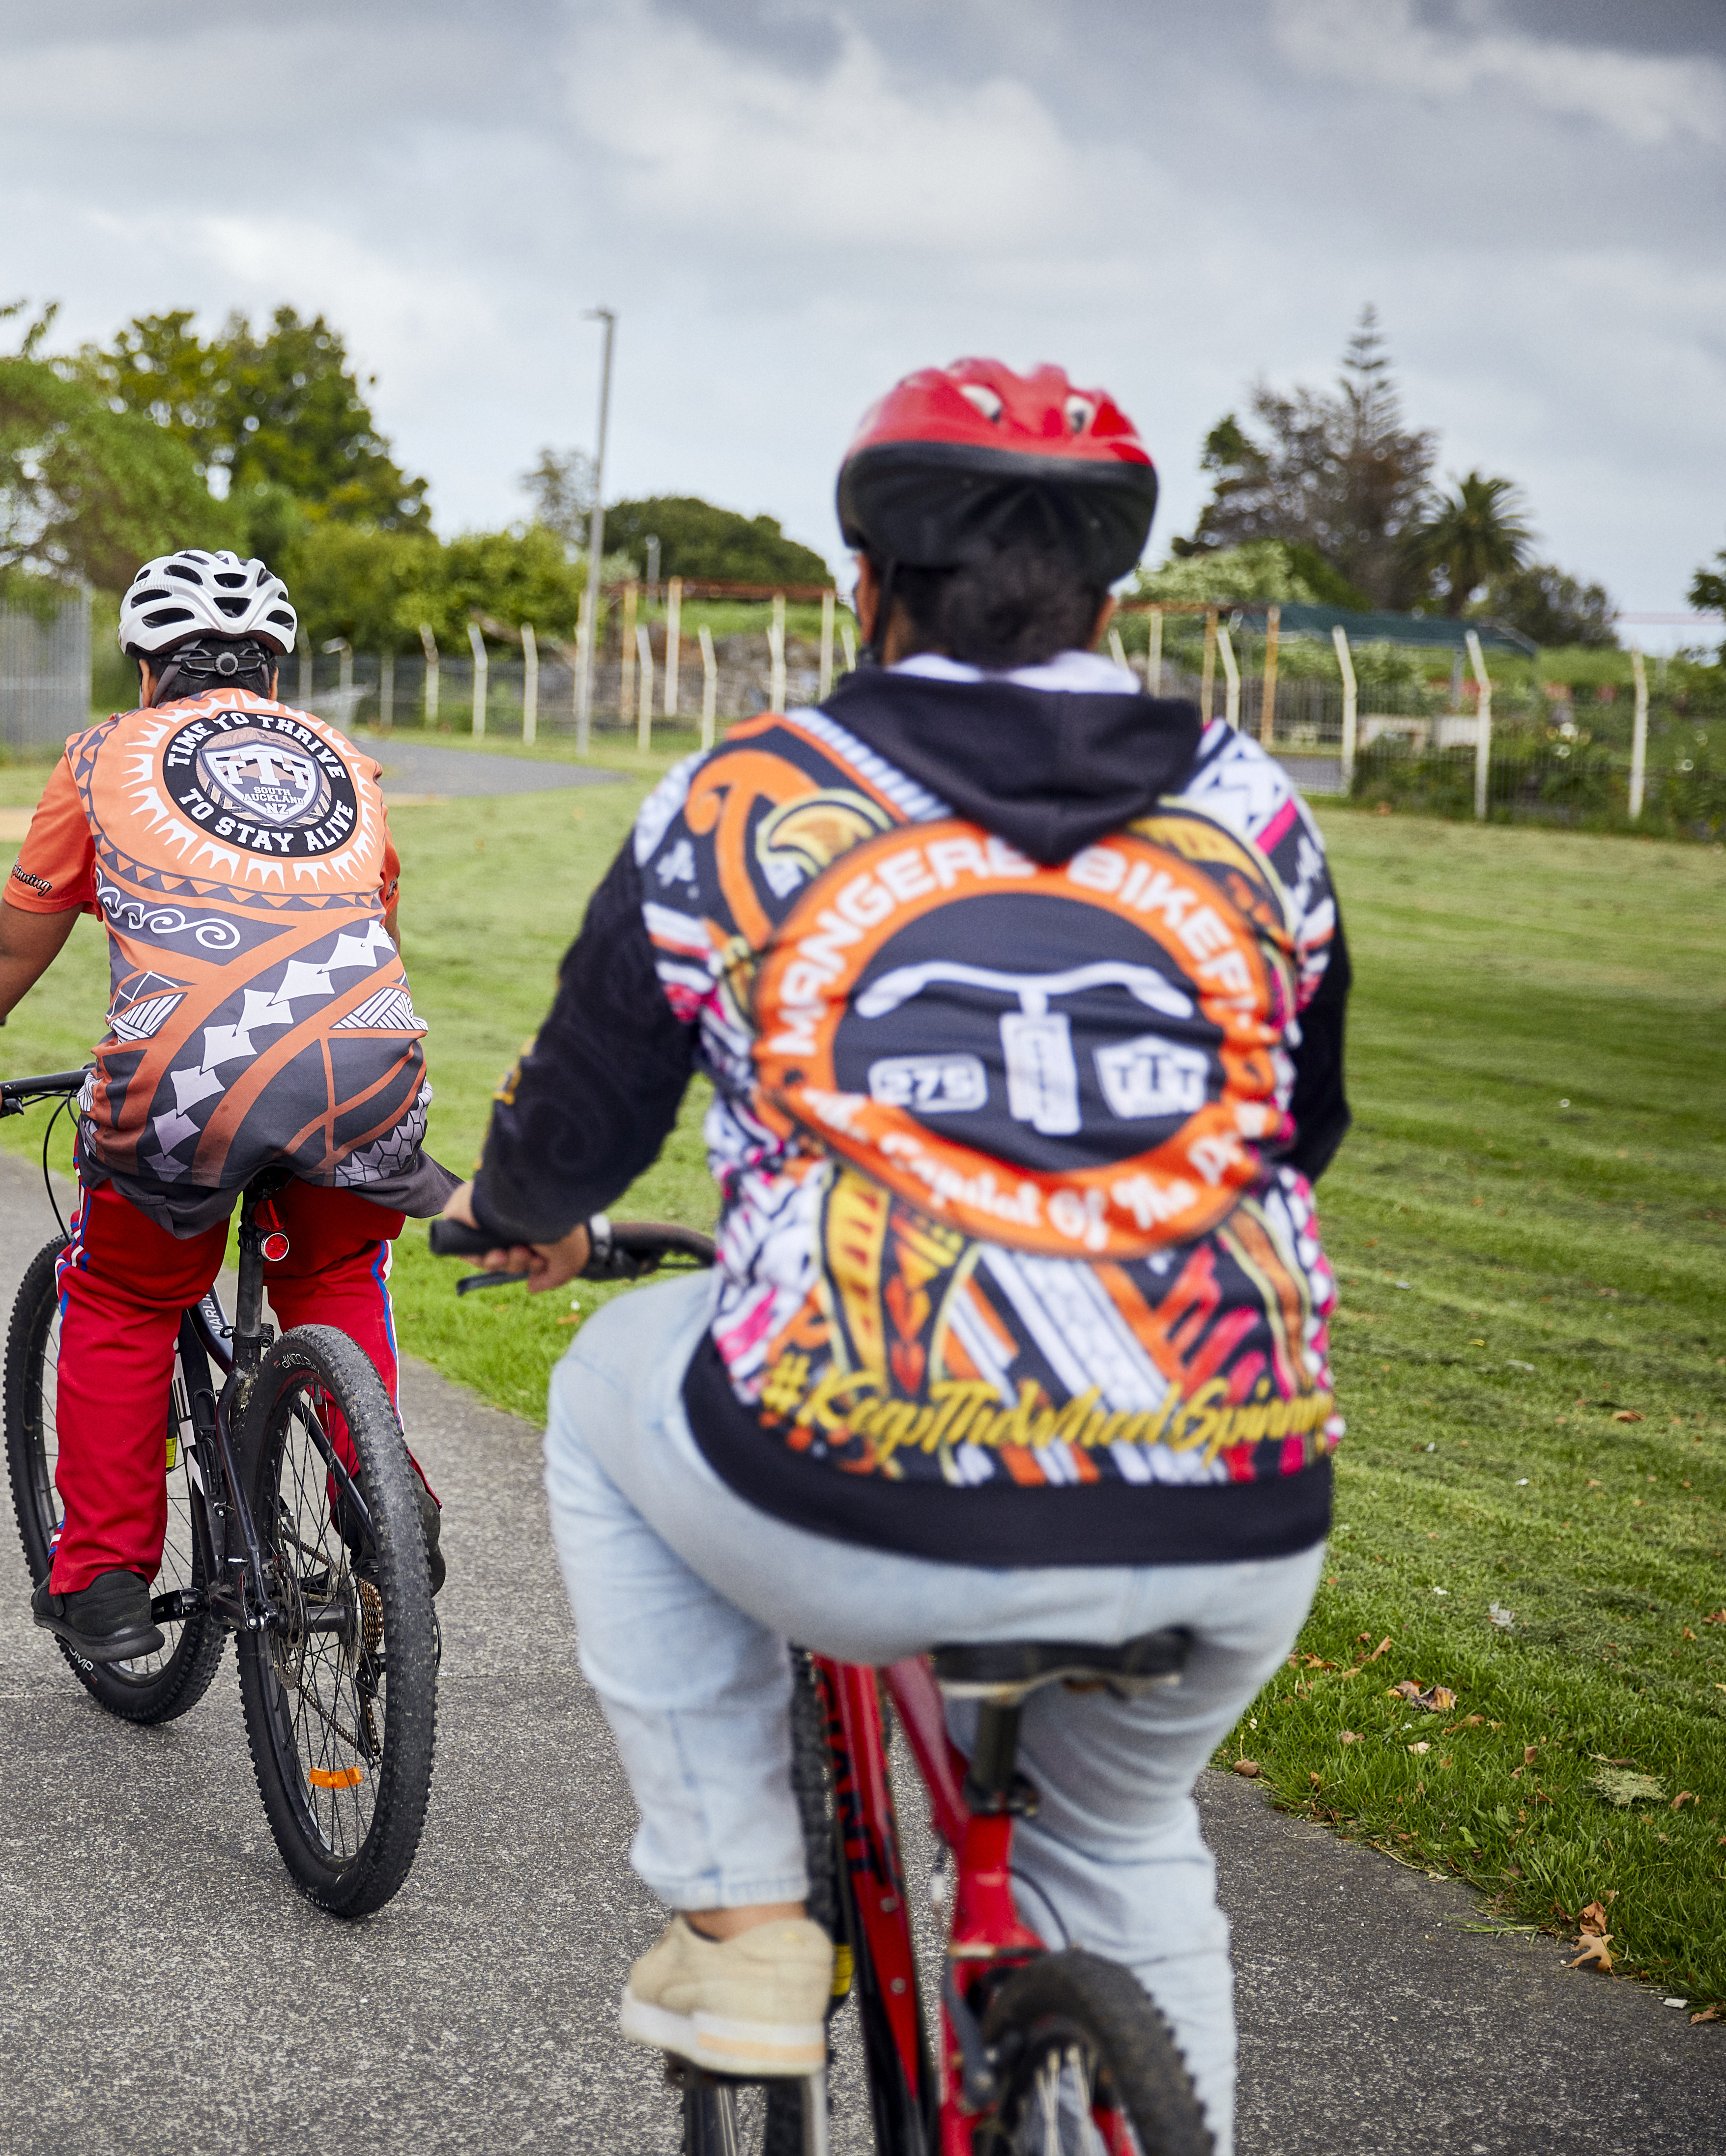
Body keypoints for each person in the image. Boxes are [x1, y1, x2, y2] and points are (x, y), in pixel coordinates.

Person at [440, 361, 1350, 2153]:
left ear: (865, 577)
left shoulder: (742, 794)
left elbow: (579, 1124)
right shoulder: (1253, 802)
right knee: (1125, 1836)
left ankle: (740, 1917)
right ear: (1109, 595)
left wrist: (515, 1208)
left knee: (603, 1381)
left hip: (859, 1468)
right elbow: (1289, 1130)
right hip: (1234, 1480)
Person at [0, 548, 455, 1666]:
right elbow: (372, 928)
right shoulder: (345, 760)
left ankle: (103, 1574)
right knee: (336, 1271)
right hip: (366, 1063)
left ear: (147, 663)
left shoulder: (103, 753)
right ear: (272, 667)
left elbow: (18, 935)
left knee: (123, 1289)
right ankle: (383, 1496)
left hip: (185, 1080)